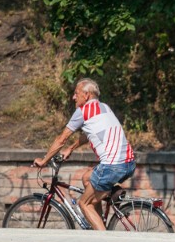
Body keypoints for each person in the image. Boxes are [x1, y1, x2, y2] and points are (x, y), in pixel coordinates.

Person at [33, 78, 135, 230]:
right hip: (129, 163)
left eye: (76, 93)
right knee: (87, 177)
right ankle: (100, 217)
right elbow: (89, 133)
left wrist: (44, 160)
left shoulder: (83, 111)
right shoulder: (104, 107)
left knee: (83, 203)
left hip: (112, 166)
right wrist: (71, 148)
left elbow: (61, 139)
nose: (73, 97)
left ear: (86, 95)